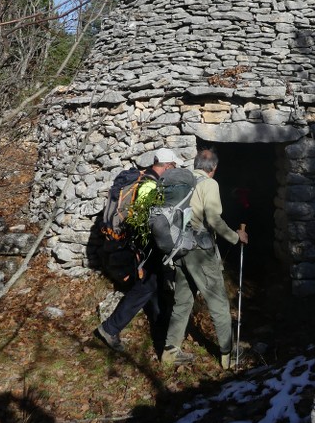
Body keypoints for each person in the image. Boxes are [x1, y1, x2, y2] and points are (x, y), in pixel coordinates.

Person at [162, 148, 248, 369]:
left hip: (179, 247)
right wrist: (234, 237)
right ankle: (228, 355)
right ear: (214, 168)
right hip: (199, 250)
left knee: (182, 301)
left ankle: (170, 351)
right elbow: (213, 218)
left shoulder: (184, 181)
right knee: (218, 301)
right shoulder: (209, 184)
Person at [94, 147, 184, 352]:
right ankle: (110, 327)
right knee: (146, 286)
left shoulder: (143, 179)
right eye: (173, 166)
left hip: (142, 247)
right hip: (144, 248)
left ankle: (160, 324)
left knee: (154, 284)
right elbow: (146, 222)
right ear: (167, 166)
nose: (174, 169)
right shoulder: (149, 186)